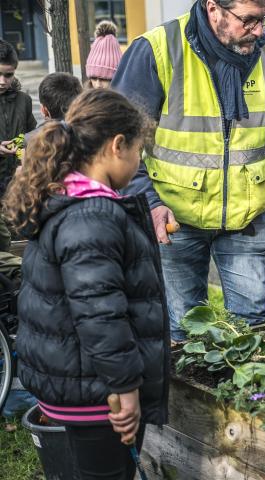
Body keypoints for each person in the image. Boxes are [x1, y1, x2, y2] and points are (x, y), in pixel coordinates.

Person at [112, 0, 265, 342]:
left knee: (254, 327)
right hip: (172, 217)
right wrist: (148, 202)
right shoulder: (157, 49)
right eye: (248, 20)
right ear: (213, 8)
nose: (259, 31)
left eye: (263, 18)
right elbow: (120, 141)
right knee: (184, 330)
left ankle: (251, 398)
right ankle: (189, 398)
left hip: (246, 216)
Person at [4, 89, 168, 479]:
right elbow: (100, 313)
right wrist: (126, 388)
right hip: (100, 394)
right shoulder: (93, 215)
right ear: (116, 146)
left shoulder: (70, 198)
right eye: (138, 151)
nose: (137, 161)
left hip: (82, 383)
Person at [0, 39, 36, 252]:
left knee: (19, 242)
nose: (2, 81)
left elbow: (30, 133)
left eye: (8, 75)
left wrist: (21, 144)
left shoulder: (24, 101)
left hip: (15, 184)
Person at [86, 21, 123, 89]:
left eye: (104, 79)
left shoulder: (130, 98)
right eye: (94, 78)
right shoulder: (83, 99)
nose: (98, 85)